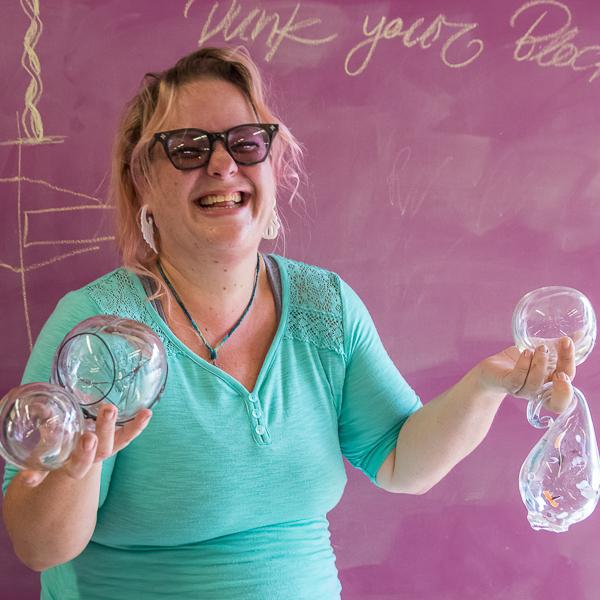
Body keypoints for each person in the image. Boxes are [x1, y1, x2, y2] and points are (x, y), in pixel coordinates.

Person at [2, 46, 575, 600]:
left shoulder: (324, 306)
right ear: (143, 183)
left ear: (273, 169)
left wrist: (485, 385)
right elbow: (39, 546)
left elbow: (402, 460)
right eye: (187, 147)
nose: (222, 164)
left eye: (245, 144)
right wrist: (77, 471)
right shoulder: (96, 333)